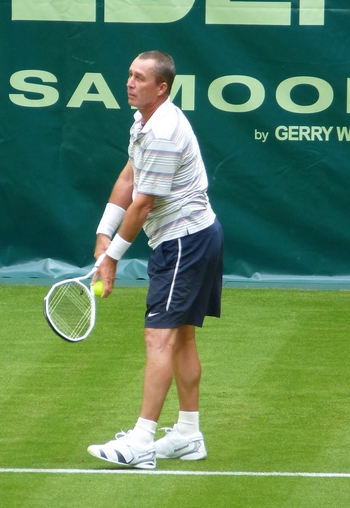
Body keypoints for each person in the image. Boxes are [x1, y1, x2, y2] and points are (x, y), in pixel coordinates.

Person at [87, 50, 224, 470]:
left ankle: (143, 440)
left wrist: (110, 259)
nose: (130, 83)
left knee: (158, 336)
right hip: (191, 238)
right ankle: (187, 434)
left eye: (140, 78)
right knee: (181, 336)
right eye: (129, 74)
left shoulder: (164, 131)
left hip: (184, 241)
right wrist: (102, 233)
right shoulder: (144, 121)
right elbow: (129, 176)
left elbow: (143, 203)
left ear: (161, 87)